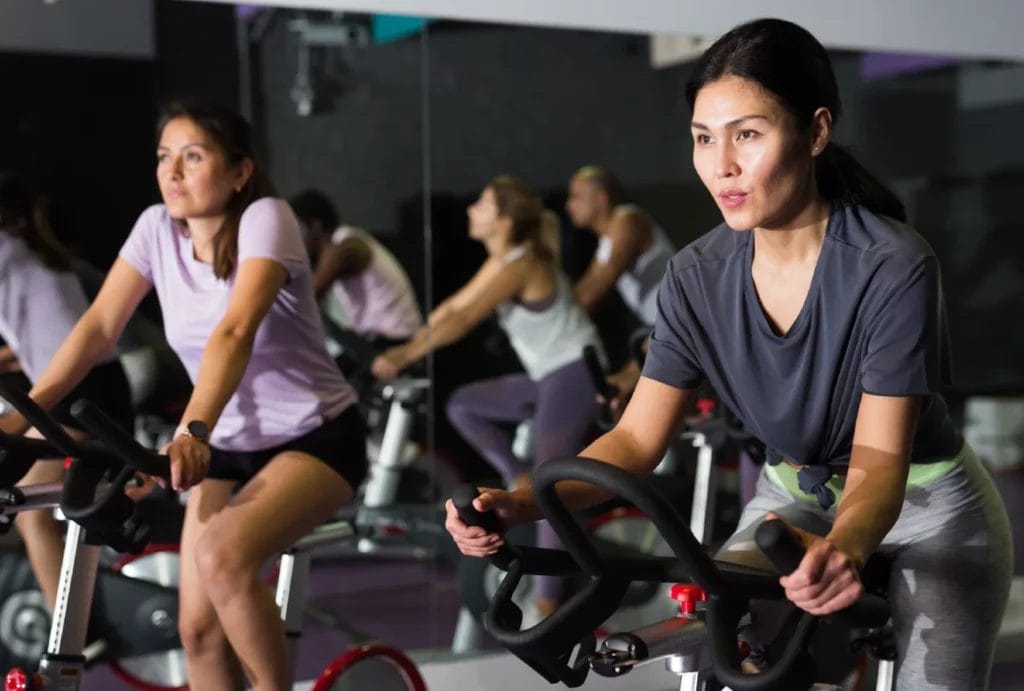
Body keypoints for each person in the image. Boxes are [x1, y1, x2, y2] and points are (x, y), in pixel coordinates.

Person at [446, 18, 1012, 690]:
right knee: (727, 655)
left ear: (816, 131)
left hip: (927, 508)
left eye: (748, 134)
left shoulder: (891, 265)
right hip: (791, 499)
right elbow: (632, 440)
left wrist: (846, 548)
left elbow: (880, 461)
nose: (723, 165)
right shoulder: (695, 275)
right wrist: (518, 503)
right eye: (703, 138)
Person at [11, 101, 367, 691]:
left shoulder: (266, 218)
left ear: (239, 171)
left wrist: (193, 428)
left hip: (314, 435)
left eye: (193, 156)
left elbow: (236, 330)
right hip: (227, 444)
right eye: (163, 157)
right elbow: (100, 327)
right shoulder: (155, 228)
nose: (172, 172)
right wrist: (25, 416)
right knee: (198, 632)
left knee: (223, 560)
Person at [372, 175, 604, 618]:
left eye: (482, 203)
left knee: (550, 488)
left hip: (574, 374)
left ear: (503, 219)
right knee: (463, 404)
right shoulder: (503, 259)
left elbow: (465, 320)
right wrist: (408, 348)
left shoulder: (522, 262)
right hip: (547, 376)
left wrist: (404, 355)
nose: (471, 209)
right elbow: (453, 308)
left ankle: (547, 604)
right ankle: (517, 477)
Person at [0, 171, 134, 610]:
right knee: (32, 504)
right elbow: (30, 348)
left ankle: (77, 626)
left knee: (30, 514)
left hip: (81, 394)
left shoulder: (7, 255)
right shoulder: (30, 252)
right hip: (90, 385)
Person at [565, 166, 675, 406]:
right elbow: (584, 292)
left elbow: (597, 288)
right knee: (618, 389)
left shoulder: (628, 220)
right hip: (663, 328)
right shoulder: (606, 240)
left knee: (624, 387)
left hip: (679, 322)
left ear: (602, 198)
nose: (569, 205)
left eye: (576, 196)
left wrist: (554, 321)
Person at [288, 189, 423, 377]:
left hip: (393, 341)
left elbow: (307, 295)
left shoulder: (347, 248)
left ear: (316, 226)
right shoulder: (343, 243)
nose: (294, 238)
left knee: (316, 379)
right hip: (373, 339)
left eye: (297, 229)